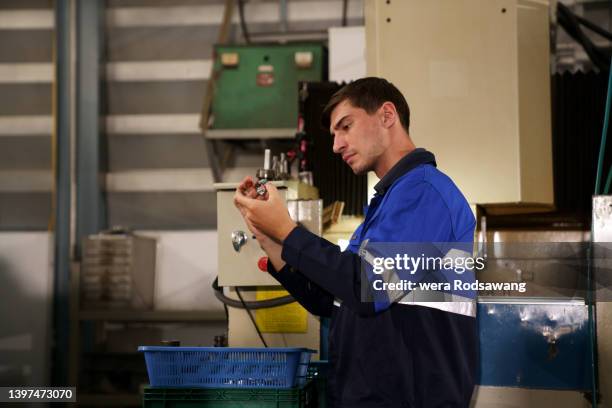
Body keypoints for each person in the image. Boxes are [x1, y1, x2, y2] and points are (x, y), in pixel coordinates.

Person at [234, 77, 477, 408]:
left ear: (387, 115)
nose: (336, 145)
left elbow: (368, 288)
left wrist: (288, 230)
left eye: (345, 127)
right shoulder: (386, 203)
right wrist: (270, 238)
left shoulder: (424, 192)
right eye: (335, 134)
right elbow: (333, 301)